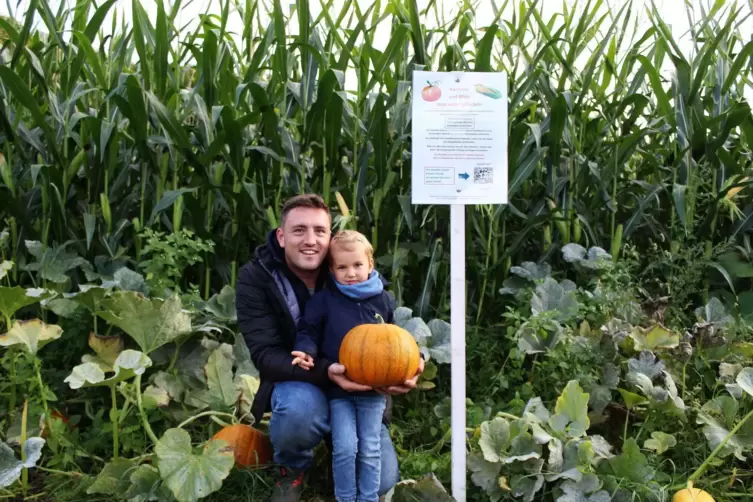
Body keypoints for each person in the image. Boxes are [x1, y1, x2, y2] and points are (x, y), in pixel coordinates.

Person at [235, 194, 424, 502]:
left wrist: (417, 359)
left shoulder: (347, 265)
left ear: (330, 237)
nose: (311, 240)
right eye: (299, 230)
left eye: (319, 231)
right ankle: (292, 468)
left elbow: (393, 321)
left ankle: (340, 452)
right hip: (300, 382)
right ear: (281, 236)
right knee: (299, 411)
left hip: (360, 388)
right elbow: (265, 355)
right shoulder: (256, 278)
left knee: (381, 484)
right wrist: (329, 371)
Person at [290, 230, 395, 502]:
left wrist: (415, 357)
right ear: (331, 269)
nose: (351, 273)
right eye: (342, 267)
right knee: (346, 447)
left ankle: (369, 498)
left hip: (373, 390)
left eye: (358, 265)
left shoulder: (382, 300)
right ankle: (345, 498)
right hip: (339, 389)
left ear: (370, 265)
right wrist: (306, 351)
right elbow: (309, 332)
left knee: (370, 448)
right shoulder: (324, 301)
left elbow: (396, 339)